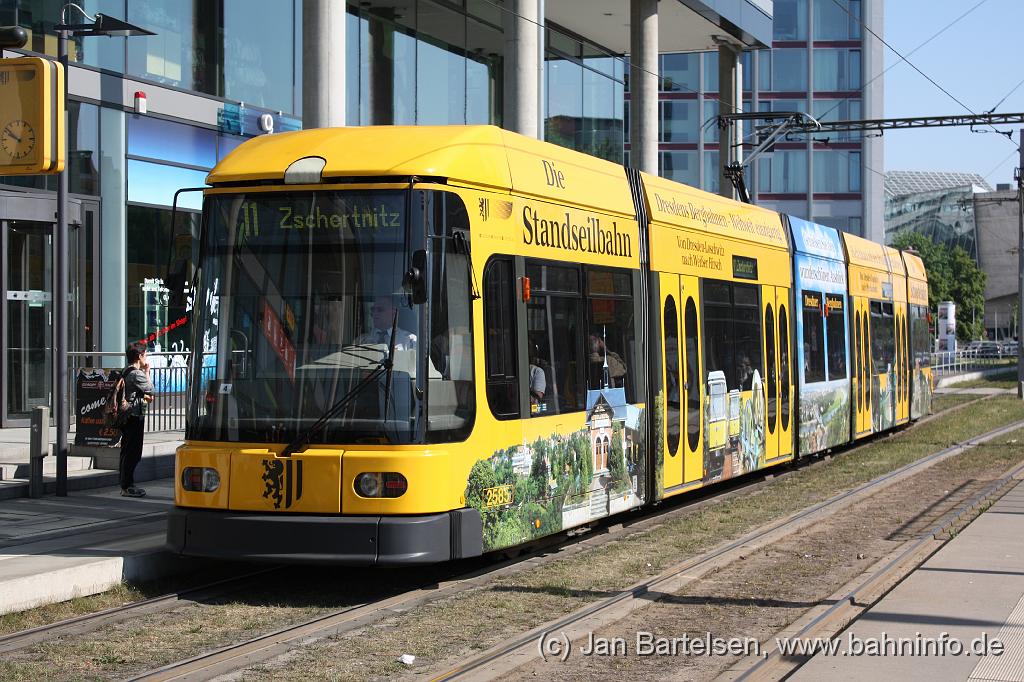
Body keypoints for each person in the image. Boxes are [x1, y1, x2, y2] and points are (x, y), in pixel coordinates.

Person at [119, 342, 155, 498]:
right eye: (145, 354)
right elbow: (151, 388)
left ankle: (125, 484)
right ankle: (128, 485)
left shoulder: (125, 370)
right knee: (133, 452)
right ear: (139, 356)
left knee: (127, 451)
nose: (146, 357)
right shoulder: (136, 373)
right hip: (134, 416)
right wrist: (147, 371)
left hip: (126, 416)